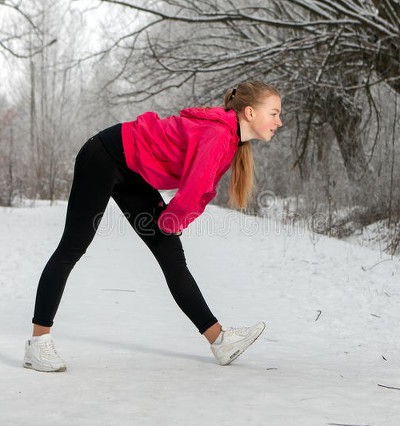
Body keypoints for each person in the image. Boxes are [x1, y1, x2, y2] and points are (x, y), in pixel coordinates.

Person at [24, 81, 283, 372]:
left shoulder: (229, 138)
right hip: (105, 155)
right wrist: (172, 221)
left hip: (132, 167)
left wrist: (170, 223)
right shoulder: (220, 134)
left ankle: (219, 340)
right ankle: (38, 343)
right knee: (74, 245)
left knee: (171, 255)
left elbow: (199, 190)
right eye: (273, 113)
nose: (279, 121)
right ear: (250, 112)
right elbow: (195, 189)